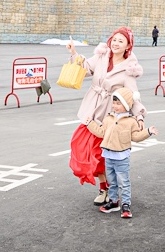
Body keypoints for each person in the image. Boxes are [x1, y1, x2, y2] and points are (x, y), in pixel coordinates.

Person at [67, 27, 146, 206]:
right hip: (91, 109)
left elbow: (133, 95)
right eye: (115, 39)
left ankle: (106, 189)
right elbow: (85, 68)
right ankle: (106, 187)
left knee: (100, 154)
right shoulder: (102, 56)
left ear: (128, 46)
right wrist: (74, 52)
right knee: (81, 146)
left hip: (109, 115)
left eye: (121, 41)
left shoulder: (129, 68)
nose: (116, 43)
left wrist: (139, 117)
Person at [87, 87, 158, 219]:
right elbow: (101, 132)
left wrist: (148, 131)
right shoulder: (108, 119)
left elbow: (136, 136)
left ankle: (126, 204)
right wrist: (90, 123)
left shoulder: (131, 121)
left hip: (121, 157)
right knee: (111, 181)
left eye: (118, 103)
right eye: (114, 103)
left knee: (123, 181)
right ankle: (114, 202)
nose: (115, 106)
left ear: (126, 104)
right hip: (108, 155)